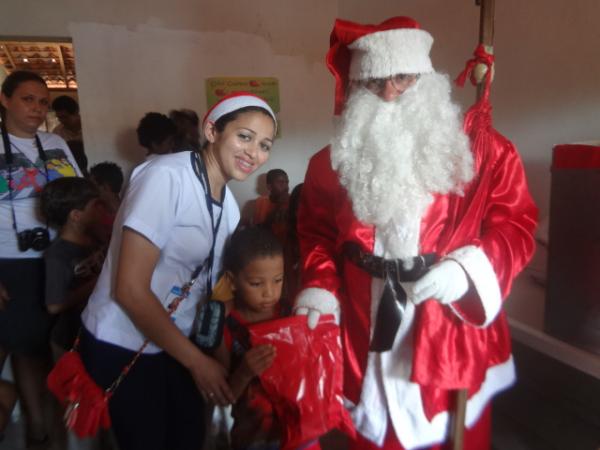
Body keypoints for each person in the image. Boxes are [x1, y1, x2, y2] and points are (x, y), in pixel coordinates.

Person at [295, 17, 538, 450]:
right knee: (375, 434)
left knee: (452, 435)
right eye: (374, 82)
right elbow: (314, 232)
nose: (390, 93)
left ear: (425, 78)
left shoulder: (482, 152)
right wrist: (319, 286)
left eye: (403, 78)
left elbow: (516, 224)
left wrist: (468, 271)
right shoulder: (330, 163)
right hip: (362, 326)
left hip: (447, 332)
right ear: (356, 88)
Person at [79, 93, 277, 450]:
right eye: (244, 136)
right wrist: (198, 363)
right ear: (213, 131)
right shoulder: (166, 176)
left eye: (264, 145)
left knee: (187, 437)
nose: (254, 152)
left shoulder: (229, 208)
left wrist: (223, 364)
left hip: (176, 343)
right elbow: (130, 290)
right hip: (125, 340)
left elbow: (212, 293)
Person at [0, 70, 82, 448]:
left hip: (56, 255)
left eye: (42, 101)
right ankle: (36, 427)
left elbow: (77, 192)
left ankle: (48, 426)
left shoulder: (54, 143)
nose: (36, 108)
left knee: (48, 345)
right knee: (23, 344)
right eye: (27, 99)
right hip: (9, 260)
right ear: (5, 99)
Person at [40, 177, 105, 357]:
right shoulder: (57, 255)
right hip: (68, 340)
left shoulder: (94, 237)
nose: (102, 210)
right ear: (76, 215)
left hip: (90, 332)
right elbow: (54, 306)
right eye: (95, 205)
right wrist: (97, 283)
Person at [243, 169, 290, 243]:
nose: (286, 187)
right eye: (280, 182)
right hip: (265, 245)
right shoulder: (261, 201)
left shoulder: (293, 200)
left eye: (287, 182)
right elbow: (258, 229)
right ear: (269, 187)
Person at [52, 95, 88, 174]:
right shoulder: (57, 132)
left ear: (76, 112)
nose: (62, 121)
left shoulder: (90, 129)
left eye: (65, 117)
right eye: (59, 118)